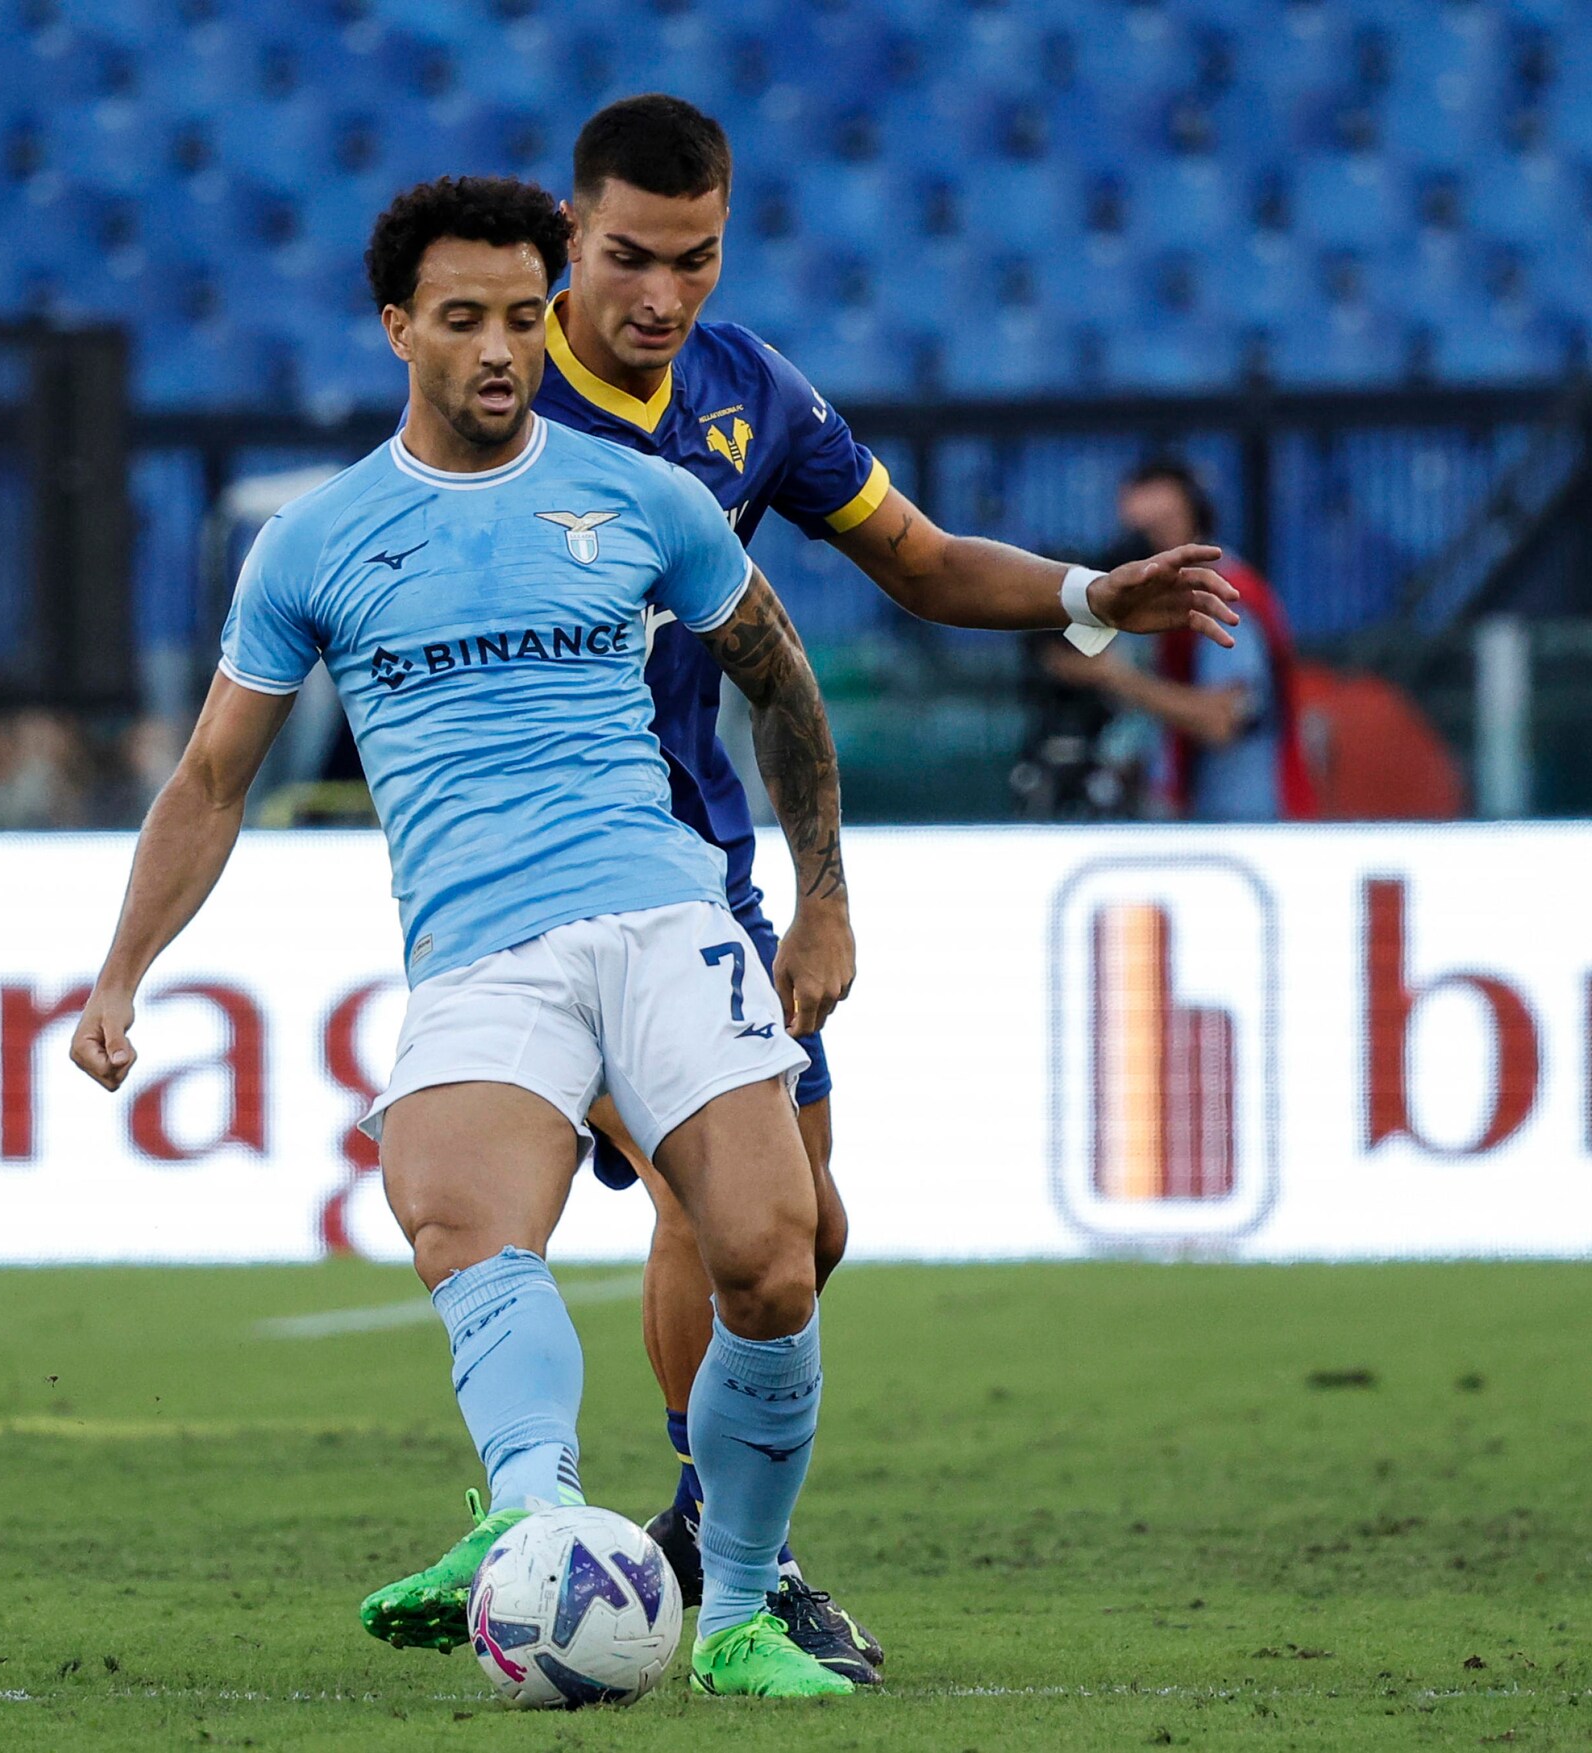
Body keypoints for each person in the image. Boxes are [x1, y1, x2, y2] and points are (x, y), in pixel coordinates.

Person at [69, 176, 863, 1700]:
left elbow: (781, 677)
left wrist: (821, 892)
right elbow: (214, 779)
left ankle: (741, 1614)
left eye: (520, 317)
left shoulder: (648, 499)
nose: (501, 350)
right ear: (397, 329)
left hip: (662, 915)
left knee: (776, 1261)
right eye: (462, 320)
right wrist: (122, 972)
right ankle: (529, 1521)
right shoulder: (315, 542)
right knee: (462, 1228)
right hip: (483, 951)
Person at [533, 94, 1244, 1678]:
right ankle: (737, 1561)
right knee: (718, 1212)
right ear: (570, 235)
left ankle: (694, 1530)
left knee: (809, 1229)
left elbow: (918, 559)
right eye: (632, 257)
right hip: (559, 883)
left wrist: (1088, 594)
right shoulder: (504, 402)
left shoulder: (746, 390)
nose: (664, 296)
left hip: (711, 874)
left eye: (698, 259)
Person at [1047, 458, 1315, 822]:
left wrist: (1112, 676)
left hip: (1247, 820)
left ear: (1196, 521)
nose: (1148, 544)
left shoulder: (1225, 596)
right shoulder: (1162, 604)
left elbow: (1220, 720)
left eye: (1161, 527)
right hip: (1199, 819)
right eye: (1137, 532)